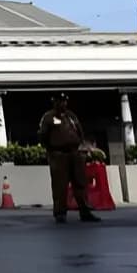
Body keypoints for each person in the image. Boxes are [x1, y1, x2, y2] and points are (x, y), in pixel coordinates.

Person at [39, 93, 101, 223]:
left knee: (80, 183)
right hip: (59, 155)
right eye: (60, 101)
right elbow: (43, 135)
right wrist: (51, 151)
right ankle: (60, 213)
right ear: (54, 102)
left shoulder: (71, 116)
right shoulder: (49, 117)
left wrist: (82, 146)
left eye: (64, 101)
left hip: (75, 153)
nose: (63, 103)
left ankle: (85, 211)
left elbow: (79, 131)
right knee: (60, 185)